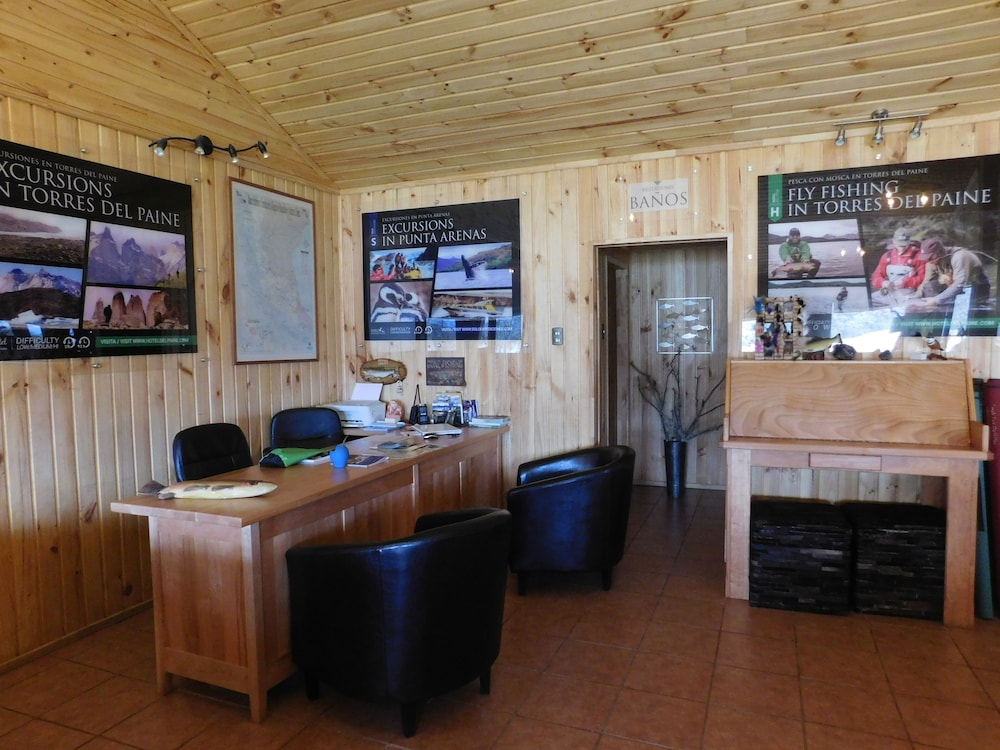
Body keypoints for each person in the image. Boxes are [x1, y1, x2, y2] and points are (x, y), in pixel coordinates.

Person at [870, 227, 925, 303]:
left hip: (910, 295)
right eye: (900, 245)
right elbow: (876, 276)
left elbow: (924, 278)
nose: (902, 249)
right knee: (870, 300)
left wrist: (905, 283)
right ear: (894, 242)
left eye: (904, 245)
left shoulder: (919, 256)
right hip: (889, 294)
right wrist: (883, 282)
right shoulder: (886, 256)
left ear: (909, 242)